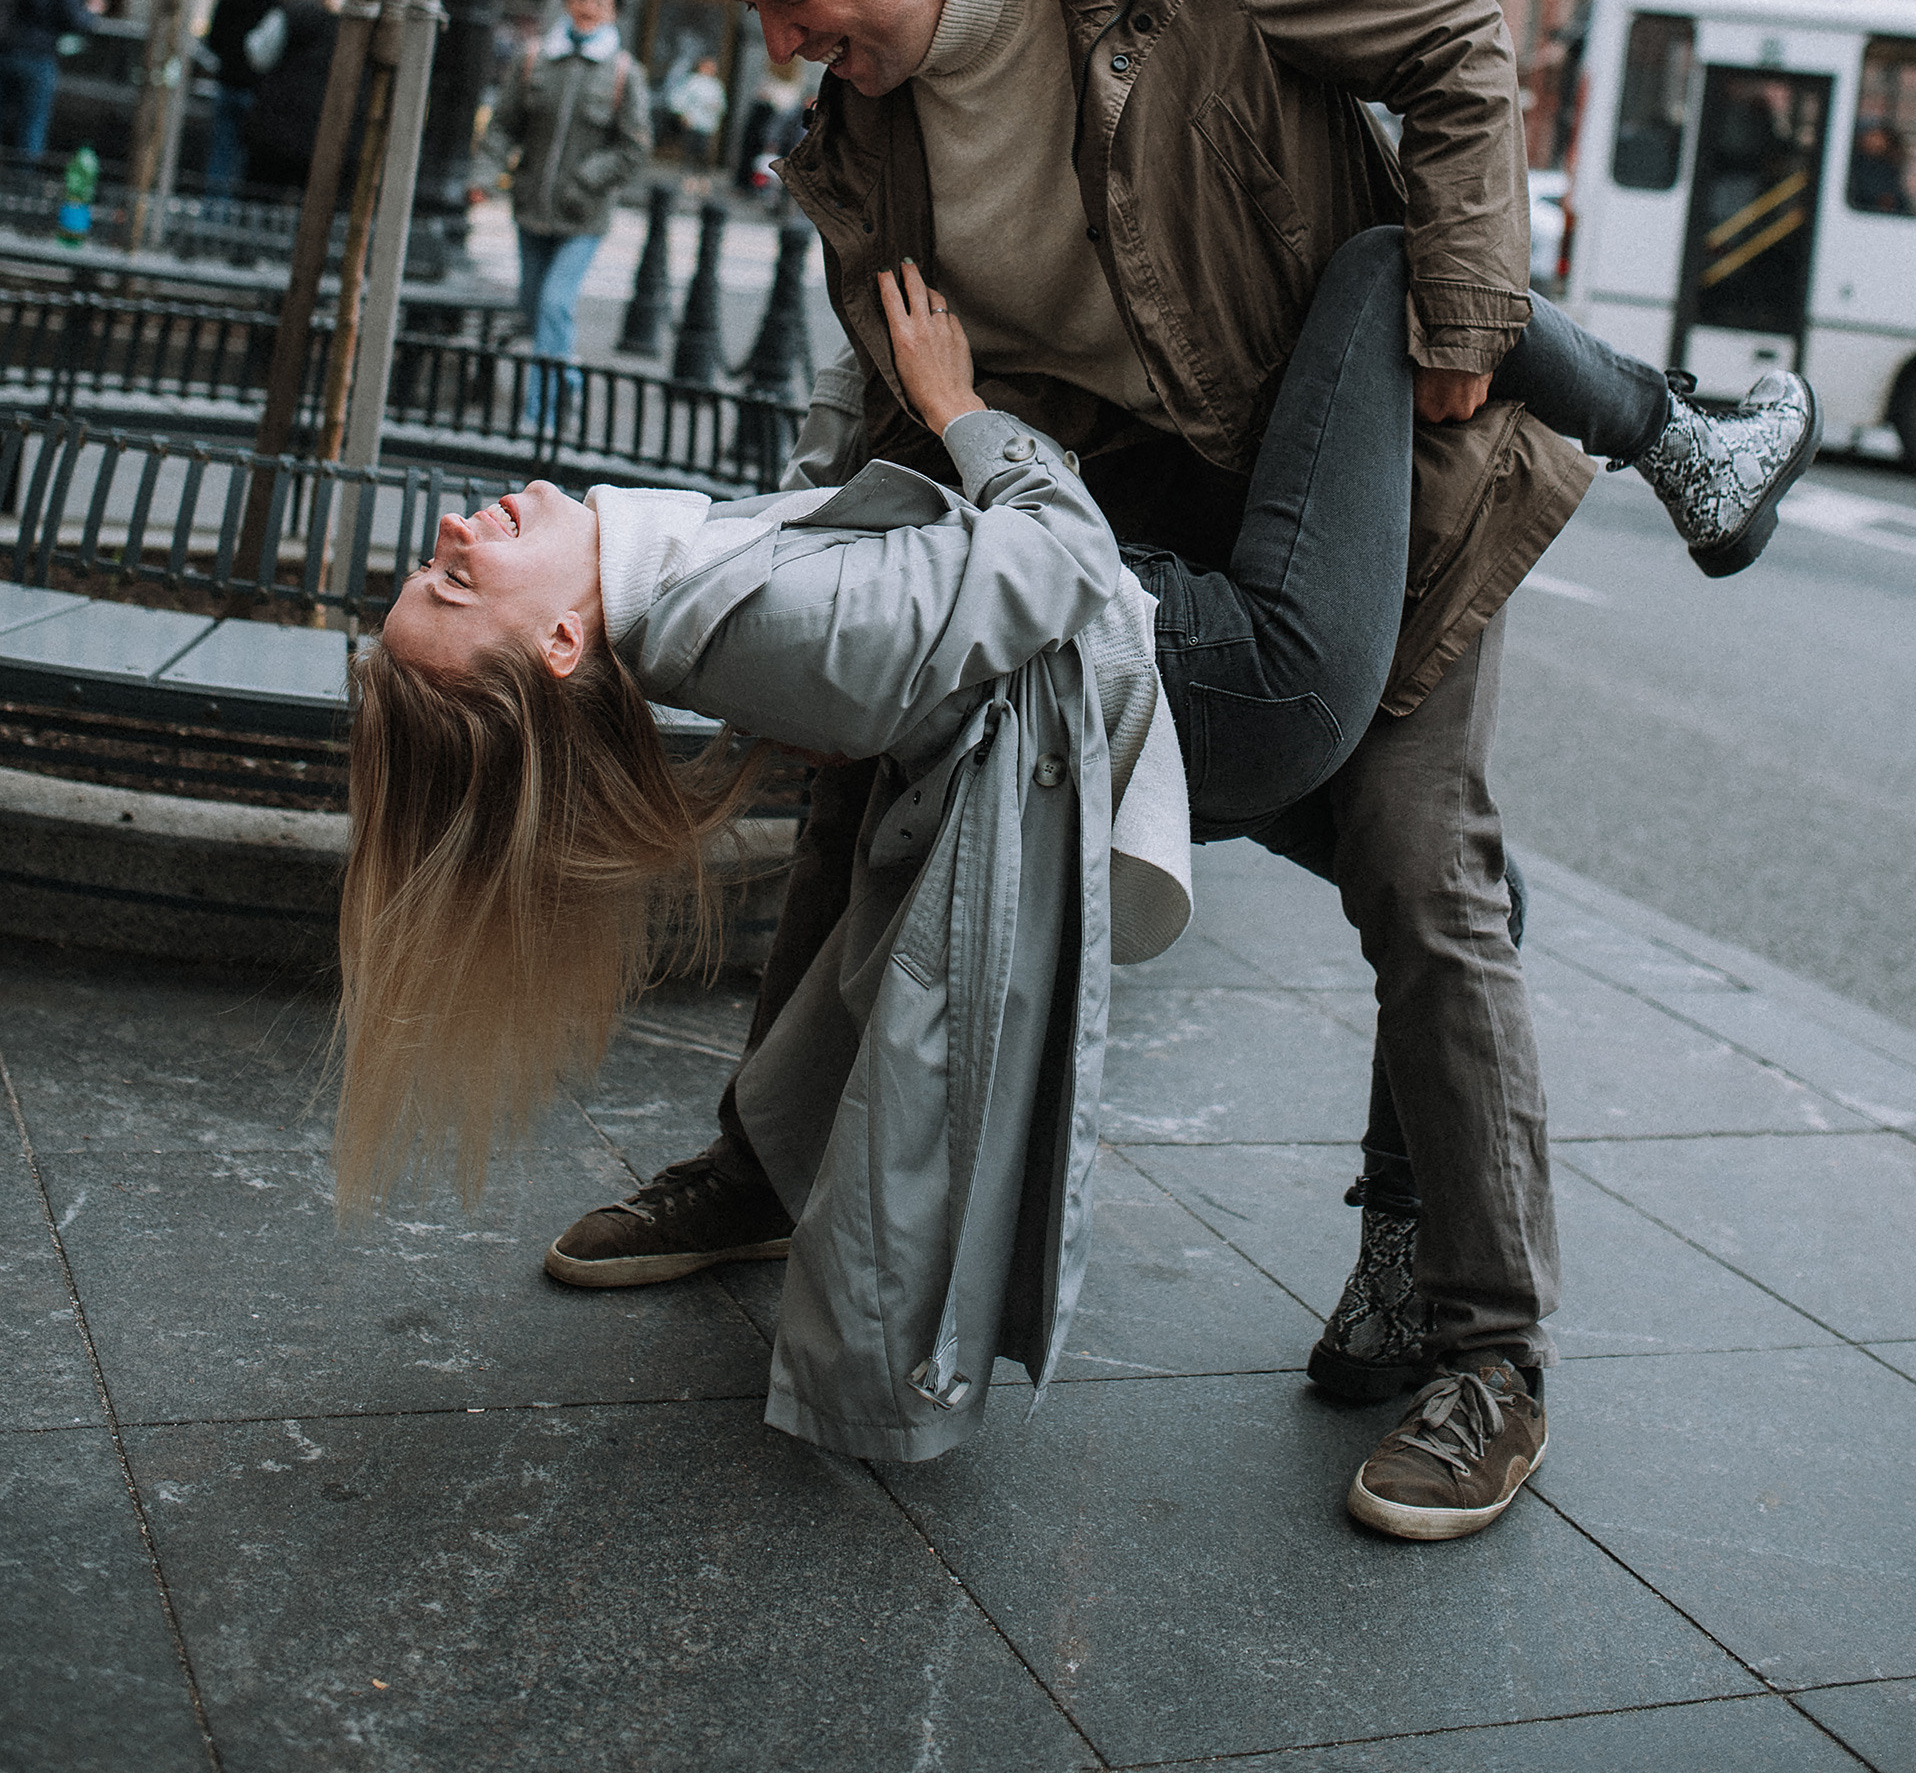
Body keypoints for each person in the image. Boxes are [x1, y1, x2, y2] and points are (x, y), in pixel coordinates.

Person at [547, 0, 1821, 1547]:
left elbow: (1455, 32)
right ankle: (760, 1165)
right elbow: (903, 385)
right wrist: (832, 573)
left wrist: (1458, 315)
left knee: (1415, 869)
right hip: (1159, 518)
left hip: (1385, 466)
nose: (778, 43)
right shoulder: (862, 142)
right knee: (879, 758)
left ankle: (1484, 1354)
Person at [349, 241, 1796, 1465]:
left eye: (437, 556)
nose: (459, 529)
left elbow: (819, 527)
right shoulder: (715, 619)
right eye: (455, 579)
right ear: (551, 648)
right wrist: (961, 408)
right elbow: (1051, 568)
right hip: (1236, 665)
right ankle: (1682, 444)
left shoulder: (664, 573)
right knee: (1385, 264)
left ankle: (1426, 1268)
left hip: (1178, 683)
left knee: (1451, 888)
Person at [488, 0, 653, 414]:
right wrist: (488, 174)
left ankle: (539, 412)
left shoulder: (624, 73)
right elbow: (503, 126)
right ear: (567, 2)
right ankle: (569, 377)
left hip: (584, 215)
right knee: (533, 306)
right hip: (531, 208)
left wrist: (586, 179)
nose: (589, 9)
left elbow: (634, 148)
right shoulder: (533, 58)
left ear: (613, 13)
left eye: (600, 2)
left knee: (555, 305)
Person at [244, 0, 354, 194]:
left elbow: (258, 54)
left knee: (262, 208)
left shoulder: (295, 10)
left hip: (277, 133)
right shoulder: (359, 28)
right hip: (334, 143)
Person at [0, 0, 106, 157]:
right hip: (39, 57)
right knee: (32, 124)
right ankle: (24, 184)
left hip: (5, 51)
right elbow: (77, 22)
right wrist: (92, 10)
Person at [200, 0, 291, 196]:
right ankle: (236, 211)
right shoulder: (274, 1)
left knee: (221, 151)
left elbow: (213, 37)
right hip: (256, 87)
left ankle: (214, 209)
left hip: (227, 80)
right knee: (247, 155)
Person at [661, 50, 727, 168]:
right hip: (693, 121)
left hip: (707, 124)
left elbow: (721, 104)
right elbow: (677, 99)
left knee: (703, 153)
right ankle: (688, 177)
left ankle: (699, 178)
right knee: (690, 150)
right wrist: (683, 114)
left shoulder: (715, 85)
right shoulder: (692, 81)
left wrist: (715, 107)